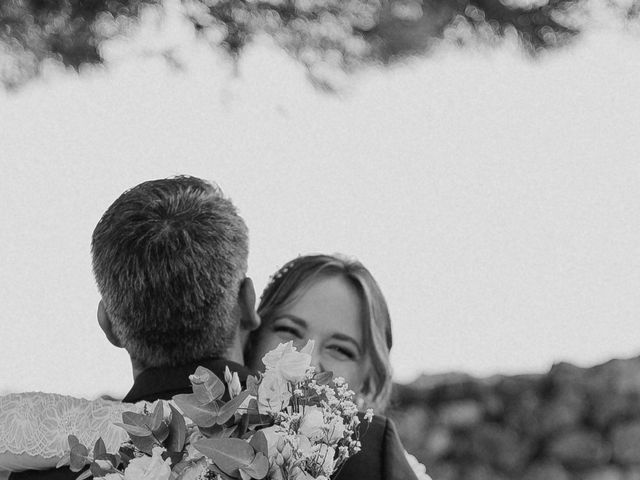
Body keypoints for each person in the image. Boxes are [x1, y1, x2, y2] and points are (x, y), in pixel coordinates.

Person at [0, 176, 422, 480]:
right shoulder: (360, 453)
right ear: (248, 304)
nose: (309, 357)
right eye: (291, 330)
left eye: (342, 348)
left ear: (109, 325)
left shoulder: (41, 463)